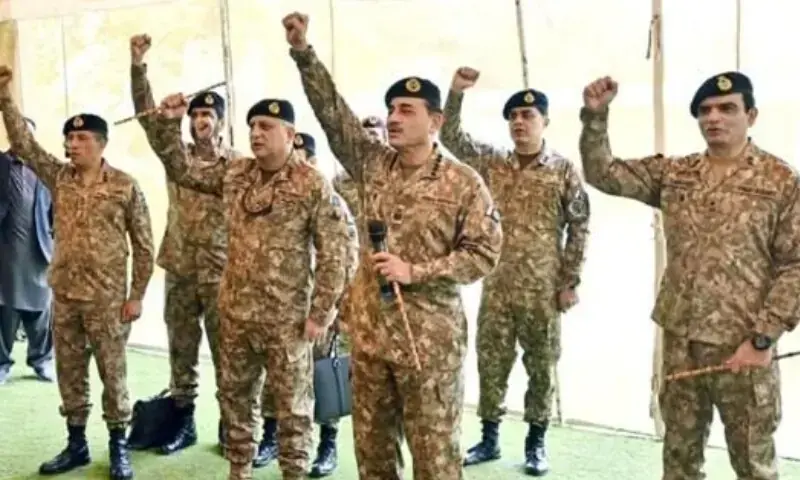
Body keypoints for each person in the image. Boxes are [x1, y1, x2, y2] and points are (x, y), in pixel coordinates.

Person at [285, 12, 503, 479]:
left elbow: (484, 254)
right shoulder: (372, 164)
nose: (394, 118)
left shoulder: (464, 183)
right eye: (392, 110)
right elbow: (333, 113)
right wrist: (304, 52)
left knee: (435, 460)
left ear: (436, 120)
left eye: (407, 110)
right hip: (370, 338)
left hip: (427, 344)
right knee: (374, 456)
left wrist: (417, 270)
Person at [579, 71, 800, 480]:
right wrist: (595, 118)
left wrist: (763, 337)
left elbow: (796, 266)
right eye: (705, 110)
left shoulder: (780, 181)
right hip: (681, 339)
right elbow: (604, 174)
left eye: (727, 109)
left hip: (742, 345)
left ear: (750, 115)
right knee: (679, 458)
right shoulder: (677, 173)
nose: (714, 117)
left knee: (753, 462)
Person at [147, 93, 352, 480]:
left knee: (292, 408)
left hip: (287, 319)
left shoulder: (312, 183)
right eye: (253, 127)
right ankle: (238, 470)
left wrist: (321, 313)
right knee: (236, 400)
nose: (256, 134)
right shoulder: (236, 174)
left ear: (289, 134)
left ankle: (293, 472)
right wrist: (170, 124)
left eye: (266, 127)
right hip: (236, 313)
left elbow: (336, 252)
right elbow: (183, 171)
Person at [0, 66, 155, 480]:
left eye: (81, 138)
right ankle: (77, 445)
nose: (72, 144)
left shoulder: (124, 185)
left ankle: (118, 447)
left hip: (108, 302)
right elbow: (25, 144)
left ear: (100, 144)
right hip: (65, 297)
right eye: (69, 138)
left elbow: (144, 244)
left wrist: (136, 294)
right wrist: (5, 97)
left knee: (113, 375)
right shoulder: (58, 177)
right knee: (70, 374)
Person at [439, 67, 590, 475]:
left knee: (541, 366)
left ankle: (536, 443)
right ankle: (489, 438)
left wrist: (569, 281)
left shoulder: (562, 169)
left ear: (544, 121)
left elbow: (579, 226)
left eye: (528, 116)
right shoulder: (493, 163)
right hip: (499, 285)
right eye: (513, 118)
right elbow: (451, 138)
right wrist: (455, 94)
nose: (520, 123)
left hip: (542, 288)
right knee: (492, 363)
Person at [130, 33, 236, 453]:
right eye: (196, 116)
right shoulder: (178, 155)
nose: (201, 121)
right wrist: (139, 67)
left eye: (209, 115)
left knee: (229, 356)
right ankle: (183, 422)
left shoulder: (240, 164)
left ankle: (233, 425)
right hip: (180, 269)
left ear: (223, 121)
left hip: (222, 274)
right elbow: (148, 117)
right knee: (181, 351)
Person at [252, 132, 358, 477]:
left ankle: (327, 444)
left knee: (323, 378)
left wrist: (333, 311)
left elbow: (347, 259)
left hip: (320, 311)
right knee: (276, 380)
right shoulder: (276, 202)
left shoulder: (331, 202)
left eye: (304, 158)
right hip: (280, 308)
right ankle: (271, 436)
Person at [0, 116, 55, 385]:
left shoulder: (46, 169)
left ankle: (42, 361)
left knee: (42, 309)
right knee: (4, 310)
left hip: (40, 251)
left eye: (28, 133)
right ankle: (1, 363)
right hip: (5, 251)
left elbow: (56, 210)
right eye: (17, 132)